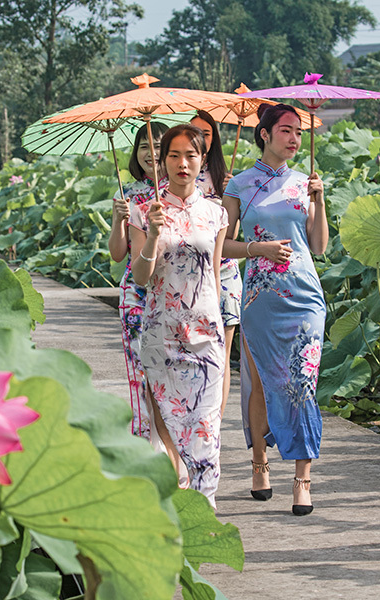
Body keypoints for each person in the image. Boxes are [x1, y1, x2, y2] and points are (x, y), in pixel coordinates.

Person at [221, 103, 328, 516]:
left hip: (305, 296)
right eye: (285, 130)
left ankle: (302, 478)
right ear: (264, 134)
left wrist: (318, 202)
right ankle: (259, 464)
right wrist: (257, 249)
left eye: (298, 132)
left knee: (303, 383)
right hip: (260, 299)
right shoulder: (239, 185)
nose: (294, 139)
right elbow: (223, 246)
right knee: (263, 382)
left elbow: (318, 246)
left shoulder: (306, 183)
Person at [129, 124, 228, 507]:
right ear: (163, 160)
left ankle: (206, 511)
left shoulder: (216, 213)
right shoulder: (144, 212)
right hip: (160, 335)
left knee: (206, 431)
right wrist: (153, 235)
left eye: (191, 155)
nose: (182, 163)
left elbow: (215, 275)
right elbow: (141, 277)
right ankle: (172, 511)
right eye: (174, 155)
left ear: (202, 159)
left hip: (205, 335)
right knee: (167, 425)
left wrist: (219, 326)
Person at [108, 122, 169, 440]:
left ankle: (176, 452)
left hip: (173, 294)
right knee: (139, 372)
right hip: (136, 295)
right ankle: (146, 445)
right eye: (143, 146)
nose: (151, 153)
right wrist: (119, 220)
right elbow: (118, 254)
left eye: (158, 146)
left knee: (172, 375)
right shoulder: (128, 195)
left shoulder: (182, 192)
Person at [189, 110, 239, 417]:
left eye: (206, 133)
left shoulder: (227, 178)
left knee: (222, 356)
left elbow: (232, 235)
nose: (201, 138)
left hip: (225, 273)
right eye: (194, 131)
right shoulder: (174, 175)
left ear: (215, 138)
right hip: (189, 277)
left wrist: (230, 196)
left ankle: (214, 426)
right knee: (193, 357)